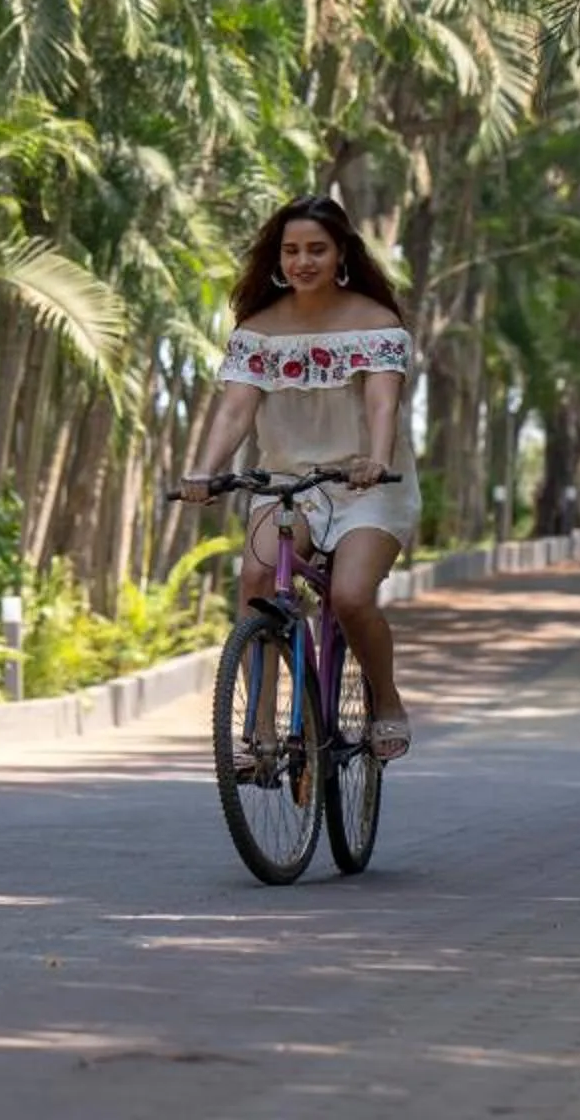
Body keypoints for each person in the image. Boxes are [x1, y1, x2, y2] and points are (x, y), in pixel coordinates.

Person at [179, 195, 417, 760]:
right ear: (277, 258)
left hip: (366, 487)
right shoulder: (257, 332)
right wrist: (204, 470)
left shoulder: (377, 324)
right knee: (257, 579)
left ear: (341, 255)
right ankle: (260, 731)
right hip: (288, 483)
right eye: (291, 251)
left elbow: (382, 404)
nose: (302, 262)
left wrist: (375, 459)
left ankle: (386, 700)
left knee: (350, 596)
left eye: (316, 250)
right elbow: (235, 411)